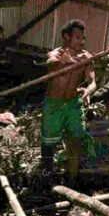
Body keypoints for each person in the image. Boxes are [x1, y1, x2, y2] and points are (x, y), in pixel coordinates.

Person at [41, 19, 96, 186]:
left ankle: (71, 181)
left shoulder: (86, 57)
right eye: (78, 37)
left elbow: (93, 82)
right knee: (48, 144)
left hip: (74, 104)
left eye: (83, 38)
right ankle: (47, 178)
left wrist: (87, 91)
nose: (81, 41)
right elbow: (50, 63)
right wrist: (61, 62)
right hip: (53, 105)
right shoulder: (56, 54)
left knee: (76, 141)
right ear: (66, 36)